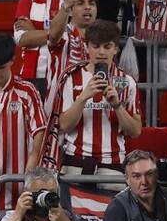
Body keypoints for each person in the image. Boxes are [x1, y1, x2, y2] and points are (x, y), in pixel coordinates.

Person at [47, 20, 140, 177]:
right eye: (96, 46)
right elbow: (63, 125)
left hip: (113, 164)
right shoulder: (71, 78)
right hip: (75, 161)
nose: (101, 52)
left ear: (116, 49)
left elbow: (135, 131)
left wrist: (117, 106)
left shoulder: (127, 81)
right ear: (86, 47)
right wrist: (83, 97)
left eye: (107, 46)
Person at [0, 33, 48, 210]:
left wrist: (32, 159)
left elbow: (39, 129)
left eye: (2, 67)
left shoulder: (27, 91)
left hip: (18, 186)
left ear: (13, 60)